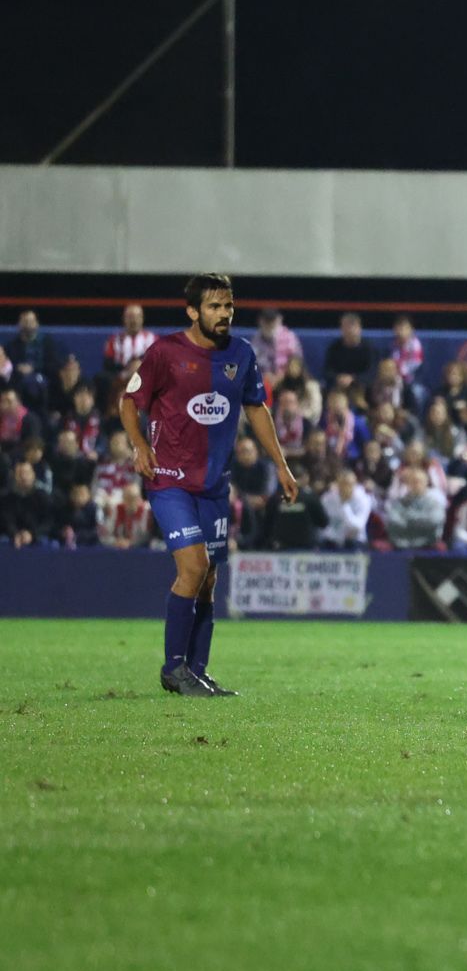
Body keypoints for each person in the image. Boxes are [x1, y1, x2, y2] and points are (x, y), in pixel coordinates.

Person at [119, 274, 299, 697]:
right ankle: (173, 669)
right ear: (193, 311)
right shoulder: (165, 352)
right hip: (170, 481)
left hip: (215, 486)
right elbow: (129, 401)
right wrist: (140, 445)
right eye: (215, 307)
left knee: (211, 577)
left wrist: (283, 467)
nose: (224, 314)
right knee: (194, 568)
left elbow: (256, 410)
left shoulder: (242, 353)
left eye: (229, 306)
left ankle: (197, 670)